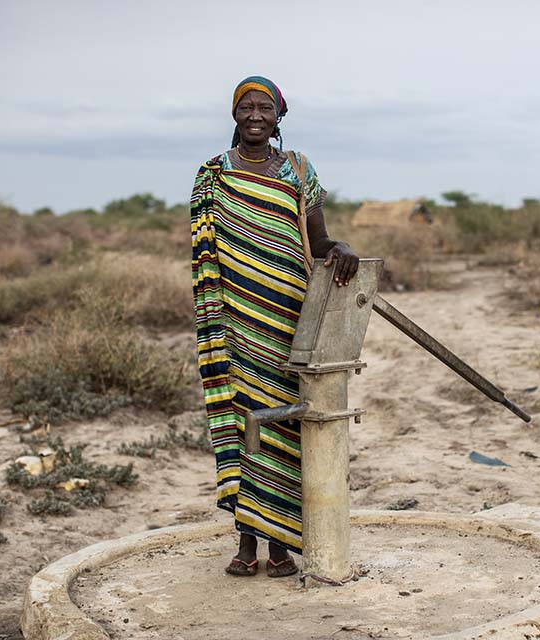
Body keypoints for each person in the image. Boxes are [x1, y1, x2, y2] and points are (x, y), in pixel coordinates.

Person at [190, 76, 359, 578]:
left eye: (266, 108)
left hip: (288, 317)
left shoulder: (298, 169)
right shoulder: (212, 174)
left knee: (286, 424)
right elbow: (201, 250)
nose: (256, 115)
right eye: (247, 107)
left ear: (279, 116)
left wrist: (342, 250)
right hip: (235, 319)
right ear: (235, 115)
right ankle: (246, 539)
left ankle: (282, 543)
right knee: (247, 424)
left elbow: (320, 239)